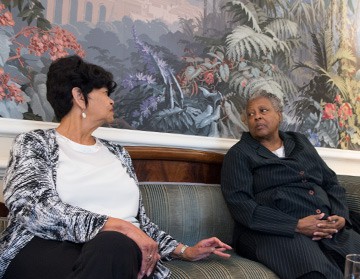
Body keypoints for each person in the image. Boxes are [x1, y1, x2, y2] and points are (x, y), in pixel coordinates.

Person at [0, 55, 232, 279]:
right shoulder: (35, 143)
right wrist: (116, 226)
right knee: (116, 243)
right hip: (47, 248)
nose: (112, 101)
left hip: (115, 253)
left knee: (116, 246)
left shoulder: (117, 153)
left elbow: (139, 224)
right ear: (79, 97)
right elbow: (30, 206)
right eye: (104, 93)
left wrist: (185, 250)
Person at [221, 90, 360, 279]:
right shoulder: (239, 154)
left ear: (279, 114)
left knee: (354, 261)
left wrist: (341, 216)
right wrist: (296, 225)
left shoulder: (300, 142)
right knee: (315, 273)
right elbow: (241, 206)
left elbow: (330, 182)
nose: (257, 117)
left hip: (324, 223)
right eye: (251, 114)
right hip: (274, 230)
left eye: (263, 110)